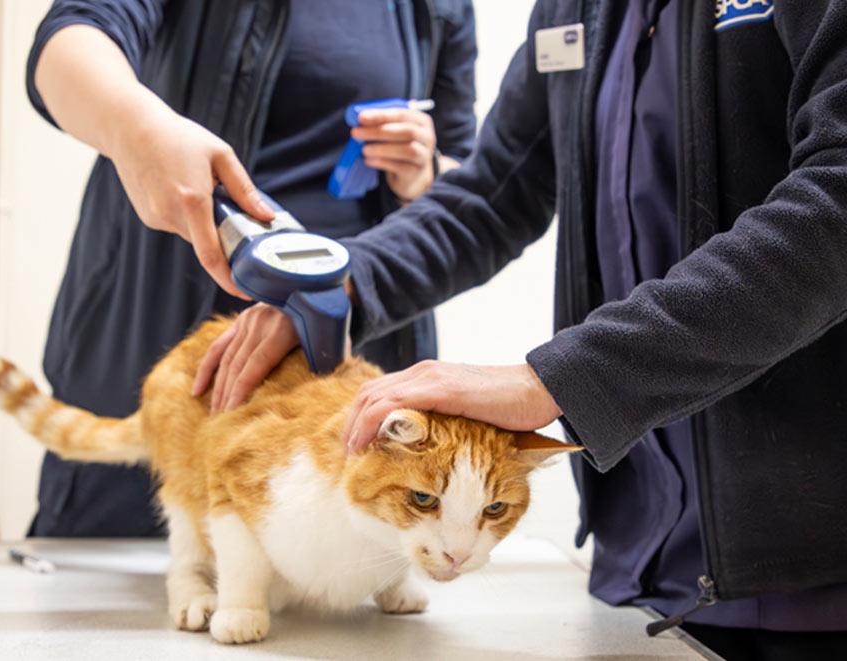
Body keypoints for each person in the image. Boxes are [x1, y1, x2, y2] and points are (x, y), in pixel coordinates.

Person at [198, 1, 847, 657]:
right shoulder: (575, 10)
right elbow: (495, 188)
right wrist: (346, 286)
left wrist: (559, 378)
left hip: (812, 571)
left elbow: (838, 201)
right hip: (640, 569)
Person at [25, 0, 478, 537]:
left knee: (332, 589)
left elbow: (468, 180)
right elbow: (68, 40)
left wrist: (425, 169)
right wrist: (138, 128)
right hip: (163, 346)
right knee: (121, 565)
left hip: (341, 366)